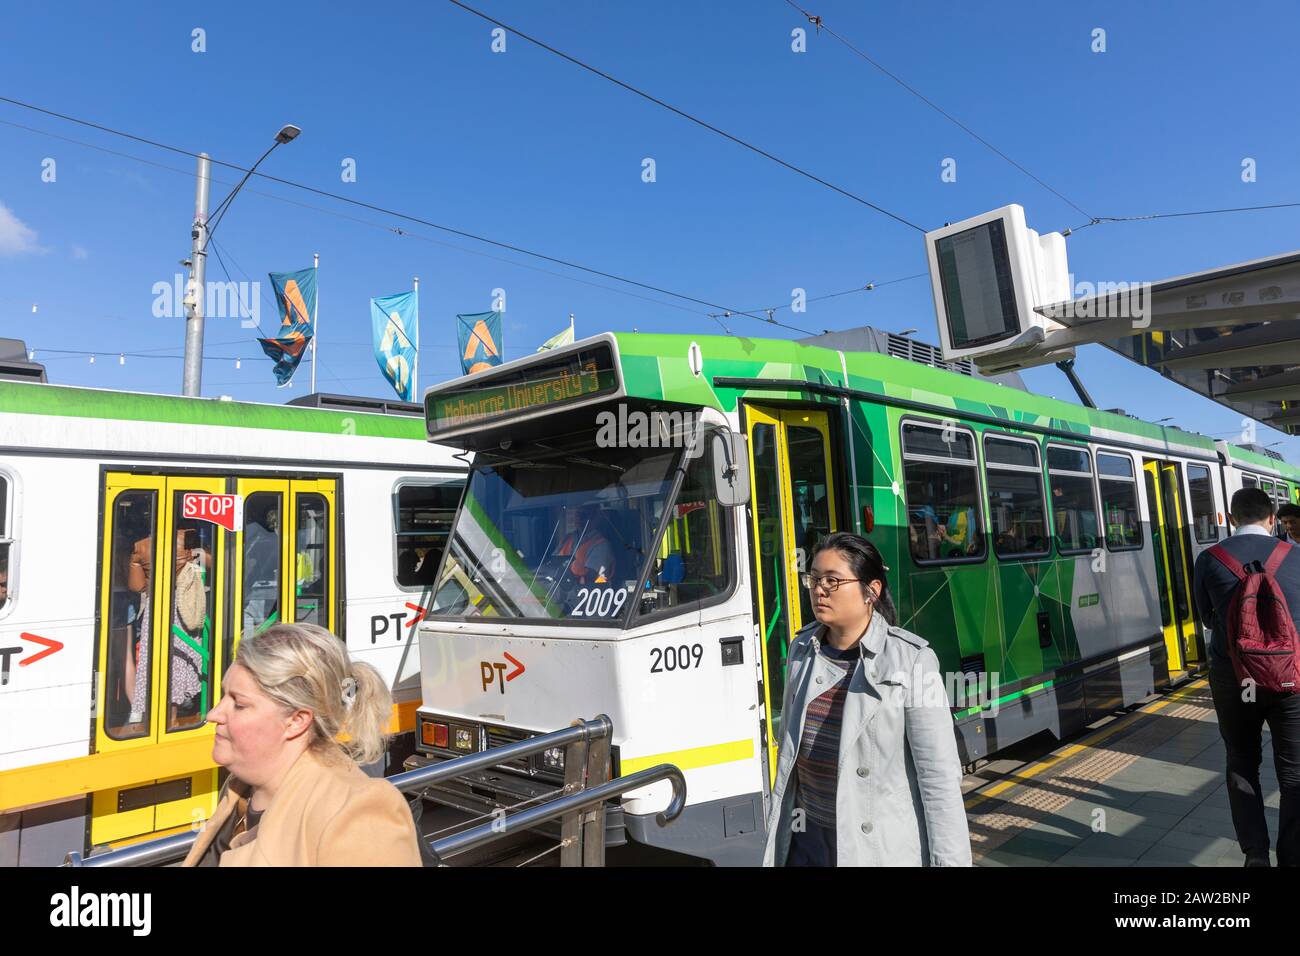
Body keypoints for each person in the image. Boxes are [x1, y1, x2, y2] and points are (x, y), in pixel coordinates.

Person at [762, 532, 972, 867]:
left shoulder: (913, 661)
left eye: (833, 580)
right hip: (806, 843)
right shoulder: (802, 650)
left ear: (870, 591)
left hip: (874, 851)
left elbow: (939, 779)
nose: (818, 589)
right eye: (814, 578)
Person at [184, 622, 422, 866]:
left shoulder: (357, 812)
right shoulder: (239, 789)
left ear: (296, 721)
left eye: (239, 703)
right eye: (224, 696)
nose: (213, 714)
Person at [1193, 487, 1300, 867]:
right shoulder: (1296, 556)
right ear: (1272, 518)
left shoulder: (1209, 559)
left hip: (1236, 680)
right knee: (1293, 771)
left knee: (1242, 760)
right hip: (1290, 681)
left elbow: (1207, 619)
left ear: (1231, 517)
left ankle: (1255, 854)